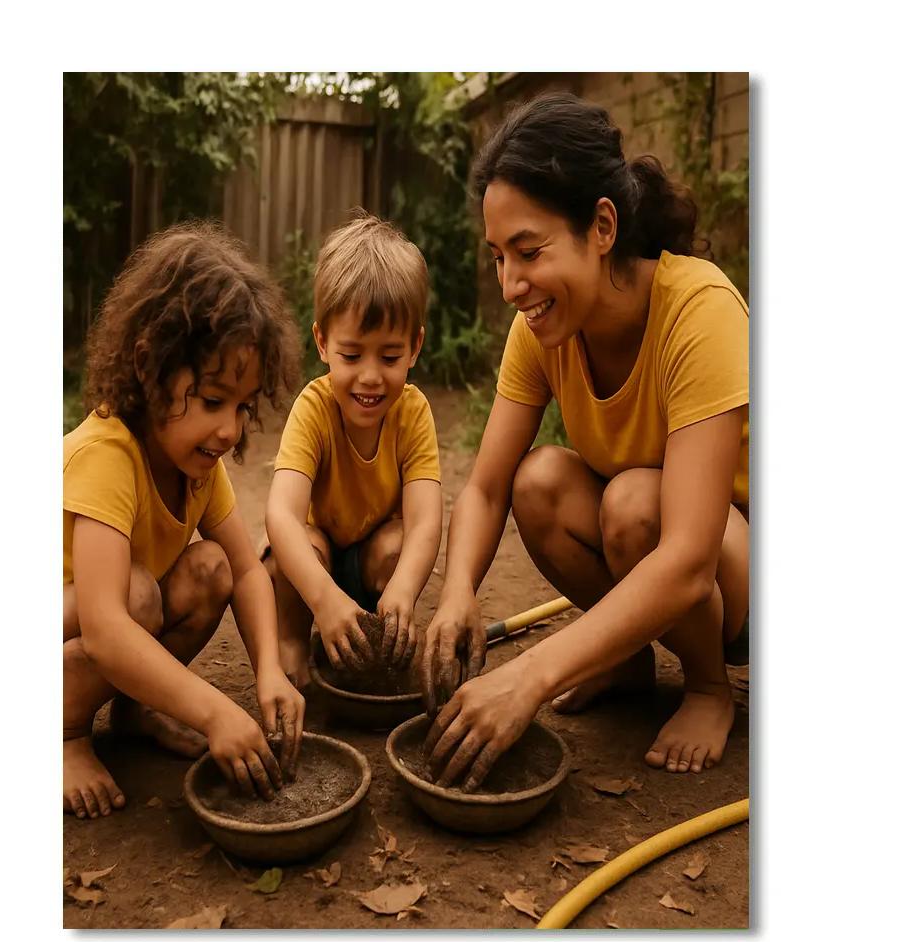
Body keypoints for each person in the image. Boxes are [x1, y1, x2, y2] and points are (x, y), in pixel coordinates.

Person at [420, 92, 749, 790]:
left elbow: (690, 556)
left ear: (602, 226)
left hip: (740, 576)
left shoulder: (700, 310)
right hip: (658, 556)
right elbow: (485, 487)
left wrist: (530, 676)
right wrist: (456, 597)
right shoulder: (541, 329)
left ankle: (707, 688)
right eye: (498, 257)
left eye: (528, 251)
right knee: (537, 481)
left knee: (631, 504)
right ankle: (622, 661)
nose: (511, 284)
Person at [63, 222, 306, 820]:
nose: (229, 429)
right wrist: (214, 710)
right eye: (212, 400)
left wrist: (270, 669)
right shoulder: (106, 456)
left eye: (243, 407)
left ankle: (131, 708)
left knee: (212, 568)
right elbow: (102, 629)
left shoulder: (194, 462)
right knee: (136, 597)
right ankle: (62, 733)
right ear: (149, 367)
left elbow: (249, 572)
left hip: (96, 628)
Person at [264, 213, 442, 688]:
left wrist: (404, 589)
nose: (369, 376)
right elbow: (281, 516)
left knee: (399, 544)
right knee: (292, 548)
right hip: (312, 569)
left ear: (415, 346)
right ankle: (294, 643)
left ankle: (377, 629)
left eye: (389, 357)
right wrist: (322, 599)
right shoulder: (313, 408)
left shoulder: (413, 412)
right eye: (351, 355)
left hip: (371, 563)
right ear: (321, 341)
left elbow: (426, 521)